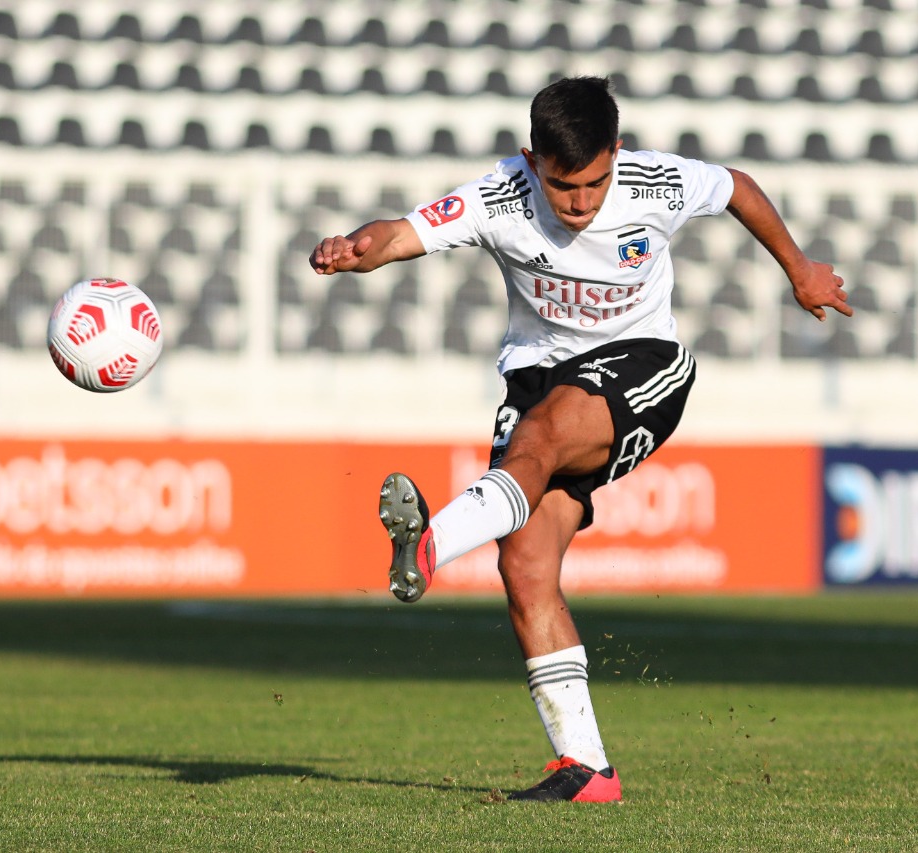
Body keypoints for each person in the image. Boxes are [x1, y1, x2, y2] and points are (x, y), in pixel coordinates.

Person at [309, 76, 851, 803]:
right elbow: (400, 234)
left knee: (544, 433)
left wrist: (801, 269)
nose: (581, 202)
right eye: (564, 185)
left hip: (644, 367)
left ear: (616, 155)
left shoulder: (654, 184)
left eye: (596, 181)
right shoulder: (498, 195)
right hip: (539, 378)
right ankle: (587, 768)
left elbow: (738, 188)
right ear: (533, 161)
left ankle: (432, 540)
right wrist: (355, 249)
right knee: (526, 564)